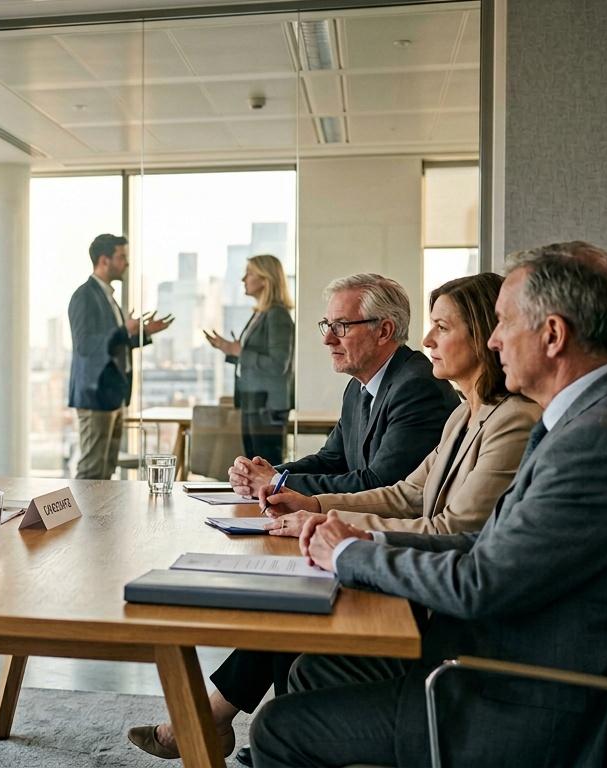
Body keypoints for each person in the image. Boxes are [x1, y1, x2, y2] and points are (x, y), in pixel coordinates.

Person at [251, 242, 607, 768]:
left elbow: (481, 582)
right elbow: (487, 544)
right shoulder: (596, 417)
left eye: (502, 322)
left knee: (278, 727)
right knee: (316, 668)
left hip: (516, 699)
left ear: (552, 335)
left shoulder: (597, 441)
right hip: (503, 662)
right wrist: (369, 540)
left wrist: (350, 557)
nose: (494, 339)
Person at [127, 272, 539, 764]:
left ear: (484, 335)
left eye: (442, 328)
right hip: (418, 581)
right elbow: (404, 490)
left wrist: (334, 531)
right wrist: (291, 489)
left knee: (294, 613)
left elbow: (449, 528)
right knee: (292, 612)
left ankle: (256, 732)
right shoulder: (464, 413)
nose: (427, 339)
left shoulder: (489, 412)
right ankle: (259, 734)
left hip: (439, 617)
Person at [230, 273, 459, 498]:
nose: (327, 339)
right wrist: (265, 475)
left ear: (384, 331)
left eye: (340, 326)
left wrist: (274, 483)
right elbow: (331, 460)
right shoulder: (357, 387)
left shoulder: (417, 388)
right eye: (327, 325)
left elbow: (379, 485)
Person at [68, 233, 173, 479]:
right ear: (104, 260)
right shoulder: (85, 295)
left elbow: (113, 343)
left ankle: (100, 519)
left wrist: (142, 332)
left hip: (112, 395)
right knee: (92, 470)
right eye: (121, 257)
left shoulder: (108, 297)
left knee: (106, 470)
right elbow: (85, 345)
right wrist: (125, 329)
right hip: (95, 396)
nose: (126, 263)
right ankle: (84, 518)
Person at [204, 254, 295, 465]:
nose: (243, 279)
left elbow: (279, 363)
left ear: (265, 279)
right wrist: (228, 349)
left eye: (249, 273)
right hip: (254, 403)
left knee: (266, 467)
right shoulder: (260, 313)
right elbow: (253, 360)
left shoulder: (277, 314)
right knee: (255, 467)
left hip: (268, 407)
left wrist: (238, 351)